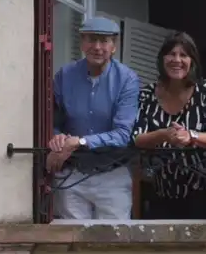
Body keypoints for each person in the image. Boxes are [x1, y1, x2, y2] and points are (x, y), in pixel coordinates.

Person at [46, 16, 140, 220]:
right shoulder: (65, 75)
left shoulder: (127, 79)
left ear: (114, 46)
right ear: (82, 43)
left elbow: (123, 134)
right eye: (91, 39)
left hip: (112, 175)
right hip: (72, 173)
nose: (97, 47)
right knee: (72, 237)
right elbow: (51, 120)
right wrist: (57, 138)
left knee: (113, 237)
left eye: (104, 41)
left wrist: (80, 142)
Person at [131, 31, 206, 220]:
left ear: (192, 61)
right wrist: (164, 135)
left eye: (183, 55)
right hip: (158, 194)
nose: (177, 60)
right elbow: (136, 138)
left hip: (203, 194)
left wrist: (191, 136)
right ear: (162, 59)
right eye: (171, 54)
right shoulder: (146, 95)